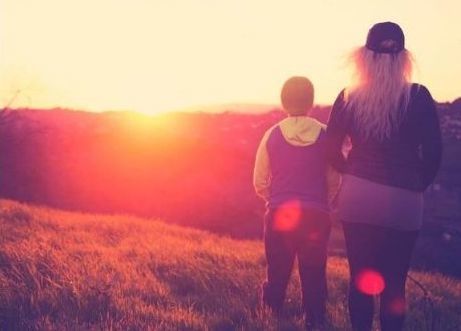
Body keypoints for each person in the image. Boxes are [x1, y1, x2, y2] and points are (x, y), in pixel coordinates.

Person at [326, 22, 442, 331]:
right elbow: (433, 154)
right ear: (404, 58)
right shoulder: (418, 97)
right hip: (405, 200)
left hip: (359, 196)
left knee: (361, 278)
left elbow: (329, 148)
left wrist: (350, 172)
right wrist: (415, 186)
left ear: (363, 57)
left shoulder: (349, 96)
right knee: (395, 284)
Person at [253, 76, 340, 328]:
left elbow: (259, 181)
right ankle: (315, 320)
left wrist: (277, 199)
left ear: (283, 101)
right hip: (316, 215)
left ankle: (269, 318)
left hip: (280, 213)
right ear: (311, 102)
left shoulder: (271, 135)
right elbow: (334, 180)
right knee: (313, 272)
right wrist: (323, 202)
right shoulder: (326, 135)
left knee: (277, 272)